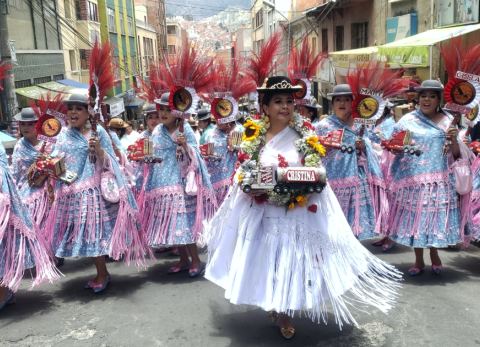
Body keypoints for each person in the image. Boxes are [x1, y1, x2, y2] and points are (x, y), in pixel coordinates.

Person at [203, 76, 401, 339]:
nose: (285, 107)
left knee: (291, 259)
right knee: (268, 260)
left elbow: (315, 169)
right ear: (265, 107)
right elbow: (245, 171)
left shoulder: (305, 132)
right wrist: (252, 185)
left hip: (298, 208)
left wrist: (308, 181)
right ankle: (274, 303)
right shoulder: (253, 134)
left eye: (289, 102)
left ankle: (284, 309)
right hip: (265, 210)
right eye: (278, 102)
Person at [44, 93, 148, 293]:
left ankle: (103, 273)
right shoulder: (63, 135)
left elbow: (113, 161)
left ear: (88, 112)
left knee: (95, 234)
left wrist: (99, 150)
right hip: (72, 193)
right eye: (70, 108)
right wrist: (48, 167)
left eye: (78, 108)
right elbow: (56, 160)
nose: (73, 112)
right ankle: (102, 272)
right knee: (89, 236)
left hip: (95, 194)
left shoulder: (98, 131)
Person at [386, 80, 469, 275]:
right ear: (418, 98)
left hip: (440, 181)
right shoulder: (406, 121)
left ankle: (434, 255)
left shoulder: (449, 121)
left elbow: (457, 155)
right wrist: (397, 148)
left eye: (432, 96)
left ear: (438, 99)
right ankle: (418, 260)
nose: (427, 100)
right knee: (417, 220)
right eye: (423, 95)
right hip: (413, 180)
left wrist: (454, 139)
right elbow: (393, 145)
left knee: (433, 220)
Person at [139, 93, 216, 277]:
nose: (164, 114)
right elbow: (154, 155)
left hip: (180, 185)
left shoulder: (185, 129)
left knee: (184, 224)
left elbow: (196, 156)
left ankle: (195, 260)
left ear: (177, 112)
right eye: (161, 110)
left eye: (168, 110)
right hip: (161, 186)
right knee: (174, 227)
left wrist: (185, 145)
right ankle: (183, 260)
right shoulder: (157, 131)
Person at [315, 84, 389, 243]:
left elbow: (374, 145)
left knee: (354, 228)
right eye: (338, 100)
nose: (342, 103)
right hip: (332, 181)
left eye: (347, 100)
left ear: (353, 103)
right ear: (332, 104)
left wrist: (364, 146)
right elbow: (316, 153)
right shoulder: (323, 126)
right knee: (332, 226)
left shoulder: (359, 125)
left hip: (356, 180)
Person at [0, 141, 60, 310]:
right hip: (25, 193)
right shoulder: (19, 146)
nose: (26, 127)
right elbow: (17, 175)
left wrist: (48, 164)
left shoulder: (51, 143)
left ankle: (4, 291)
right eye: (23, 124)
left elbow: (4, 176)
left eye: (30, 124)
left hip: (44, 192)